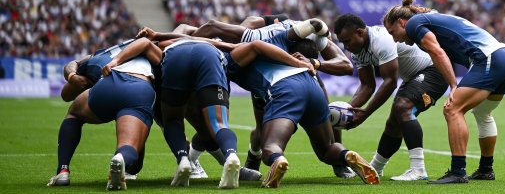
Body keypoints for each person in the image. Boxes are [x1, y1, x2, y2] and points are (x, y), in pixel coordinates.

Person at [383, 0, 505, 184]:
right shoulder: (430, 18)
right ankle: (486, 169)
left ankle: (457, 172)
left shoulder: (413, 23)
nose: (394, 38)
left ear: (401, 22)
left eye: (392, 32)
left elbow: (438, 52)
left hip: (488, 58)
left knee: (452, 109)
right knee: (482, 112)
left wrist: (453, 85)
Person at [221, 32, 380, 187]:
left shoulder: (231, 61)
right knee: (326, 150)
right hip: (311, 83)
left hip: (285, 89)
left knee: (270, 146)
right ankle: (346, 155)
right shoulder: (277, 45)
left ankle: (278, 159)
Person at [334, 13, 448, 181]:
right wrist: (347, 109)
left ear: (359, 32)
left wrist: (365, 113)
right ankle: (375, 168)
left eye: (347, 41)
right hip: (413, 78)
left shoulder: (381, 39)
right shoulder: (358, 51)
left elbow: (390, 82)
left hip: (435, 71)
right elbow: (367, 86)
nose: (346, 47)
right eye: (343, 43)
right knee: (394, 122)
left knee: (403, 107)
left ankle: (418, 169)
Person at [48, 38, 161, 189]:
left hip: (107, 84)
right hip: (138, 88)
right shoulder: (153, 47)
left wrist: (73, 77)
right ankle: (121, 158)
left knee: (74, 114)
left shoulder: (99, 56)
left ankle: (62, 171)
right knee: (129, 148)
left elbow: (66, 94)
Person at [158, 38, 241, 188]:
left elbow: (159, 45)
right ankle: (231, 155)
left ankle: (183, 159)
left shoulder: (171, 41)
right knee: (219, 124)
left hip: (175, 56)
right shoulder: (214, 46)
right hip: (209, 56)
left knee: (172, 120)